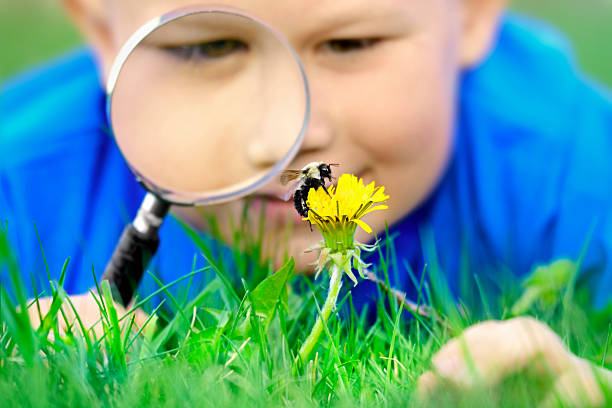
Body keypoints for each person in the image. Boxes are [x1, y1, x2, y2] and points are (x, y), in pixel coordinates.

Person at [1, 0, 611, 402]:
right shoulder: (16, 184)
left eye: (350, 44)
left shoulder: (576, 174)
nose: (281, 141)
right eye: (208, 48)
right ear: (103, 33)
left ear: (474, 14)